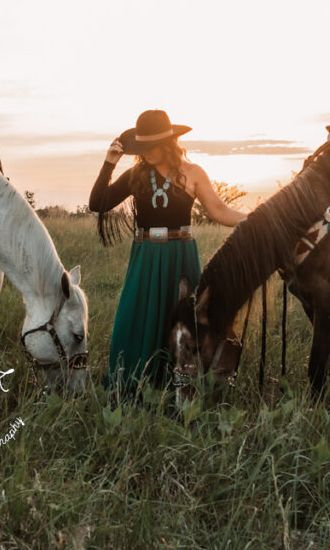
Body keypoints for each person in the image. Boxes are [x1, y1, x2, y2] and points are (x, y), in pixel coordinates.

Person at [89, 109, 246, 393]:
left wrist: (254, 218)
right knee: (133, 318)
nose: (145, 153)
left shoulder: (193, 172)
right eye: (141, 147)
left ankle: (183, 385)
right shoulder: (136, 174)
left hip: (181, 256)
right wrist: (109, 164)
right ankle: (134, 384)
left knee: (187, 321)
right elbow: (98, 203)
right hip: (146, 257)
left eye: (150, 146)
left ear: (168, 143)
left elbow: (219, 211)